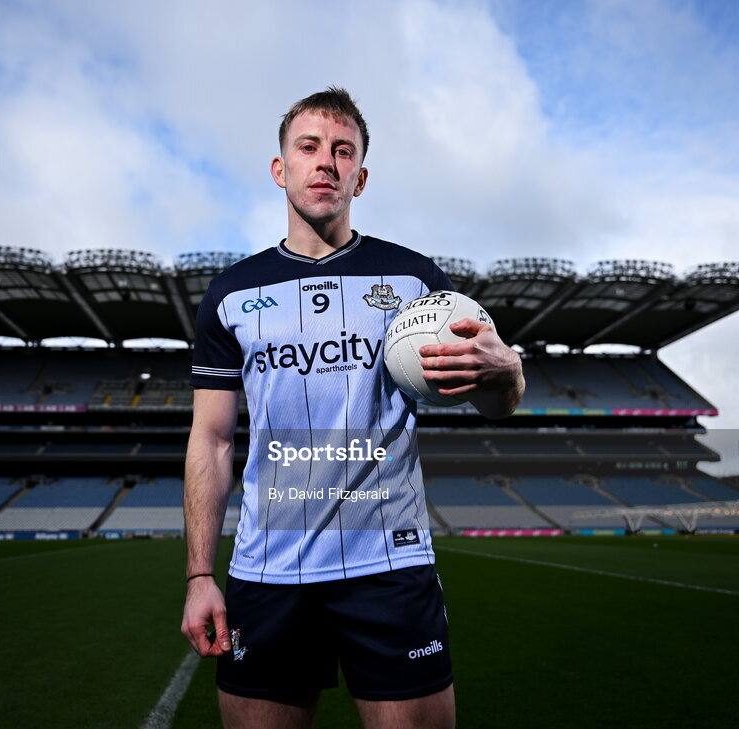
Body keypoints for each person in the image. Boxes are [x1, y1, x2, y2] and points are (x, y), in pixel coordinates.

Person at [182, 87, 524, 729]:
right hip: (269, 568)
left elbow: (497, 405)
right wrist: (200, 573)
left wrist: (509, 371)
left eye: (343, 151)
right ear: (280, 169)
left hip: (390, 564)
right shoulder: (231, 294)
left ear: (360, 177)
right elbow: (211, 440)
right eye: (308, 148)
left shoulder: (417, 283)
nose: (326, 163)